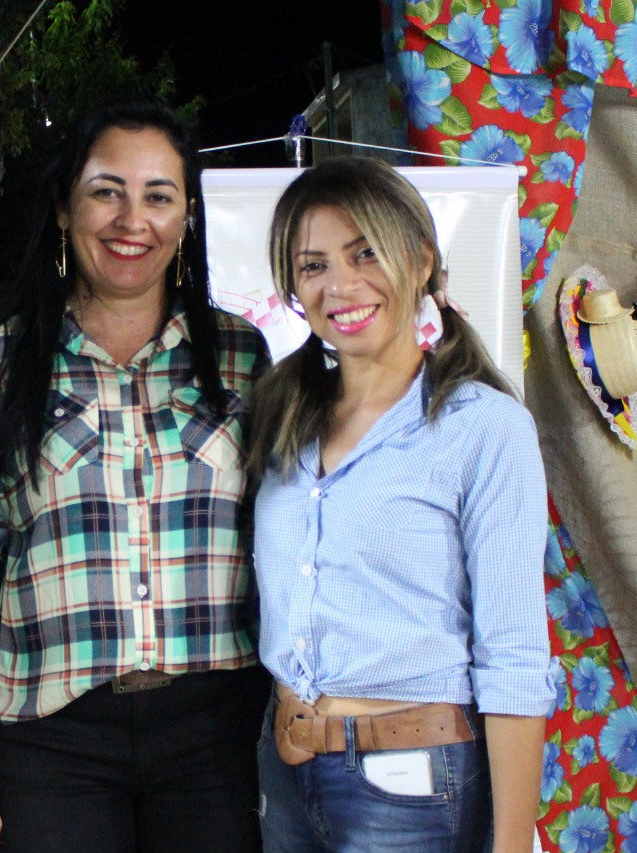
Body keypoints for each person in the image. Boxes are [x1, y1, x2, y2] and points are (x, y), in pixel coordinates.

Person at [0, 101, 271, 853]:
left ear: (187, 217)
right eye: (106, 191)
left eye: (159, 196)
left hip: (217, 734)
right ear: (64, 207)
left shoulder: (242, 357)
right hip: (52, 742)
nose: (131, 220)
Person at [247, 157, 550, 853]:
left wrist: (511, 844)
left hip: (413, 782)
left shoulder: (484, 427)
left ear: (420, 259)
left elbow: (513, 657)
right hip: (283, 771)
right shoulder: (283, 416)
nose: (339, 285)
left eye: (365, 253)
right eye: (313, 265)